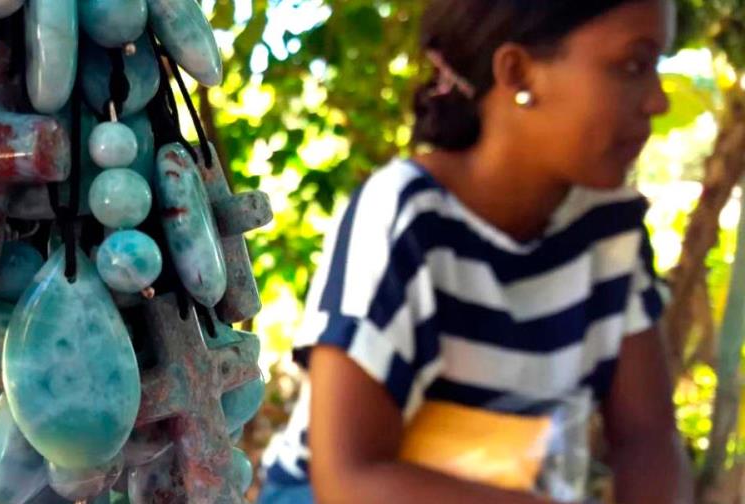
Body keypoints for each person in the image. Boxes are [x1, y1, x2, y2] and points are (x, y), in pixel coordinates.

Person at [258, 1, 694, 503]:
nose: (658, 101)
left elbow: (647, 439)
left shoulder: (608, 230)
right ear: (518, 71)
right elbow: (350, 479)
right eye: (635, 65)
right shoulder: (405, 217)